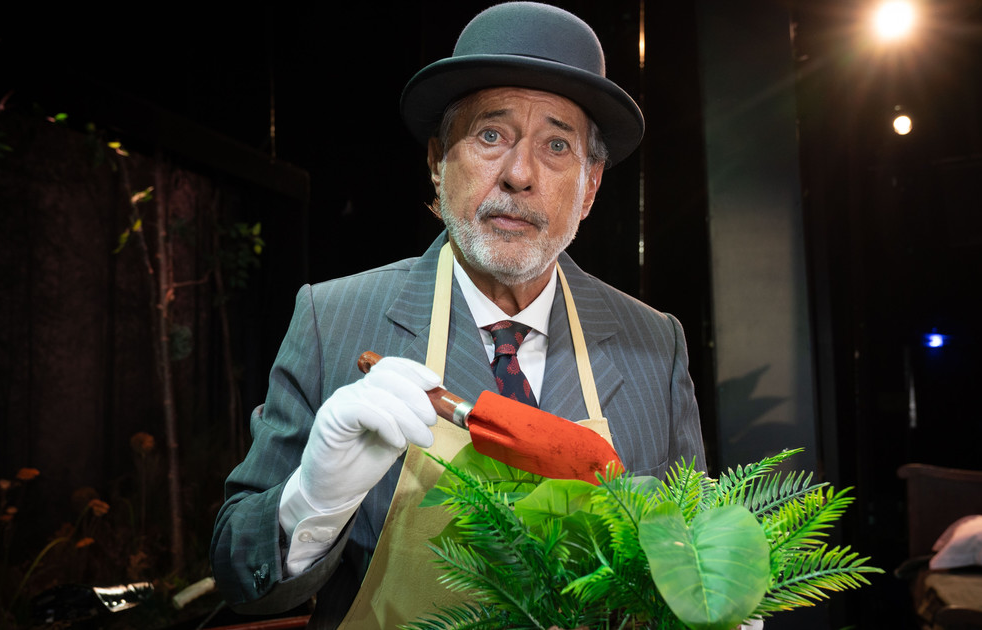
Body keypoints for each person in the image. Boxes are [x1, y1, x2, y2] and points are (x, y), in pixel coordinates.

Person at [210, 3, 710, 628]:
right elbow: (238, 577)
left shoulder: (655, 343)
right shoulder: (331, 319)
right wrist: (311, 500)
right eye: (491, 136)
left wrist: (717, 600)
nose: (519, 175)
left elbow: (695, 549)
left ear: (590, 186)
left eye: (557, 145)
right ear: (438, 161)